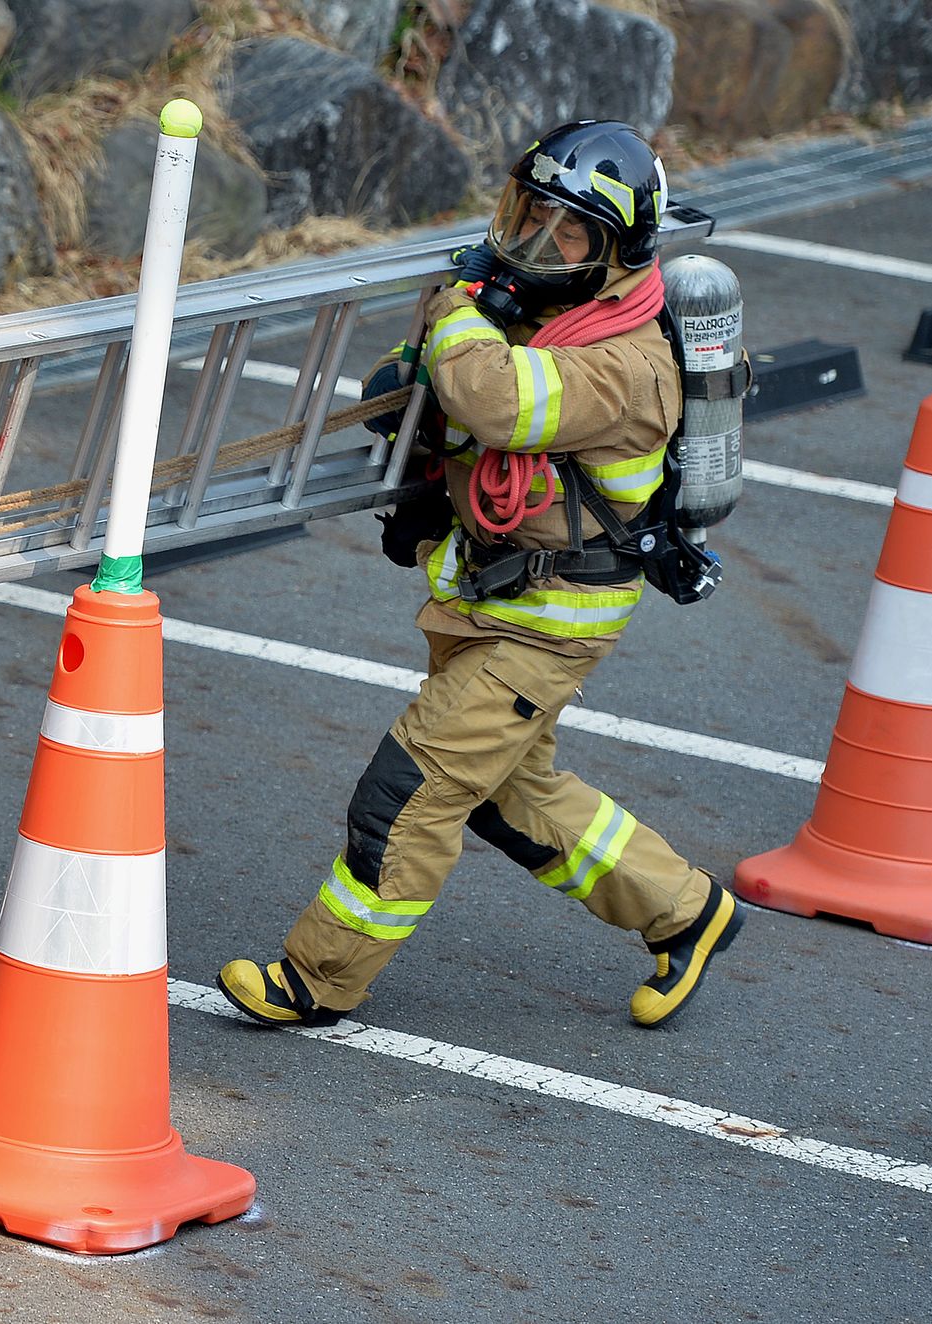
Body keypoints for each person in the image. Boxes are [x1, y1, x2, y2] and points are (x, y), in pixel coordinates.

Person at [217, 120, 741, 1034]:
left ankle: (318, 980)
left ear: (613, 254)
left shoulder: (622, 361)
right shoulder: (545, 311)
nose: (537, 240)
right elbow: (439, 388)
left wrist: (454, 309)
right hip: (490, 598)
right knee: (512, 794)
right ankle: (688, 912)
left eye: (567, 230)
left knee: (407, 792)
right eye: (528, 212)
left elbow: (493, 398)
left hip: (545, 623)